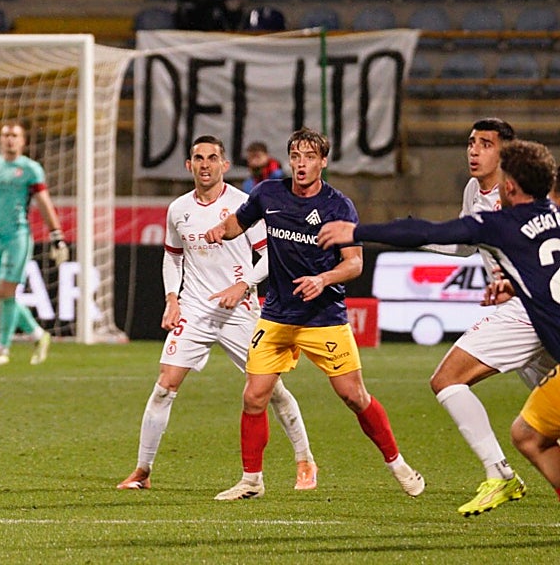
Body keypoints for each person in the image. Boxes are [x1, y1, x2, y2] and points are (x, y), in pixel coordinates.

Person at [319, 140, 560, 505]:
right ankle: (500, 474)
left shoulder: (501, 225)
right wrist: (517, 286)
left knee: (527, 435)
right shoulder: (556, 216)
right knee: (528, 435)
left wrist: (356, 232)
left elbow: (426, 233)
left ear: (510, 186)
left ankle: (499, 474)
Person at [206, 128, 424, 500]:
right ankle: (252, 481)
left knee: (354, 396)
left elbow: (354, 264)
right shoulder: (268, 194)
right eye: (295, 155)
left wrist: (323, 279)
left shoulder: (338, 206)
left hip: (323, 318)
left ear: (323, 161)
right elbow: (237, 223)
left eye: (309, 157)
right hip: (277, 315)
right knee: (254, 396)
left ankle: (398, 464)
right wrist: (218, 230)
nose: (301, 163)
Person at [115, 136, 317, 492]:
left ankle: (305, 460)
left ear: (225, 165)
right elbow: (173, 256)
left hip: (240, 309)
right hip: (194, 308)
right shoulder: (178, 209)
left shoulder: (245, 205)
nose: (205, 164)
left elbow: (271, 255)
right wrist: (171, 299)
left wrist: (245, 286)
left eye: (212, 158)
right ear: (188, 166)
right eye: (198, 158)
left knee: (272, 390)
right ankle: (142, 471)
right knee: (165, 386)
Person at [415, 119, 554, 516]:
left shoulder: (525, 194)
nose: (473, 151)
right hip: (526, 310)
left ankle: (500, 474)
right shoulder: (474, 190)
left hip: (526, 309)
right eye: (471, 143)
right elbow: (466, 245)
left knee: (446, 379)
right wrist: (420, 237)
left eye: (485, 144)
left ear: (506, 153)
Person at [0, 120, 67, 367]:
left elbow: (44, 204)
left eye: (14, 135)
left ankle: (2, 349)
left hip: (18, 237)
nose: (9, 139)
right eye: (5, 135)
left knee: (6, 292)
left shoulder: (30, 169)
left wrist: (56, 236)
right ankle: (38, 334)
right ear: (0, 140)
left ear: (23, 141)